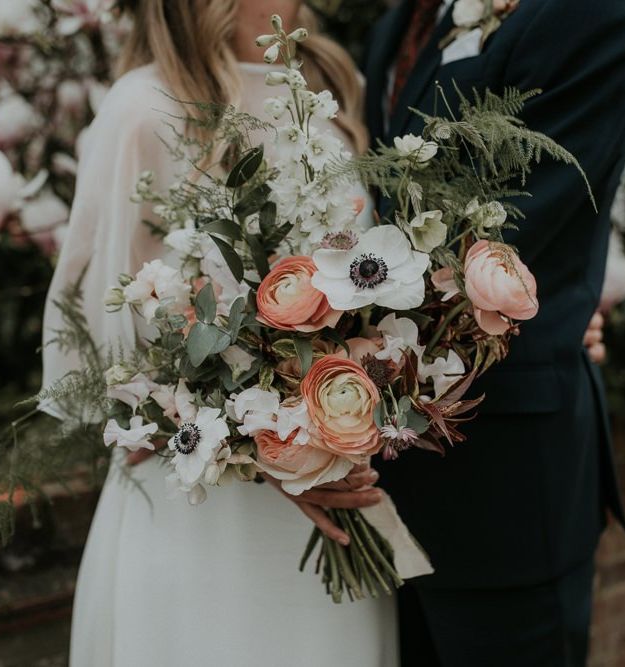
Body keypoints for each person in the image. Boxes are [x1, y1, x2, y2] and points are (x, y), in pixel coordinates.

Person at [41, 1, 398, 666]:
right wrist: (258, 445)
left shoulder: (323, 80)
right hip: (204, 513)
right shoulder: (143, 109)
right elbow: (110, 351)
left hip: (335, 502)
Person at [359, 0, 625, 664]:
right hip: (387, 479)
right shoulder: (397, 24)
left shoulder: (590, 14)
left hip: (505, 482)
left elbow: (504, 231)